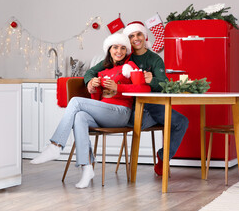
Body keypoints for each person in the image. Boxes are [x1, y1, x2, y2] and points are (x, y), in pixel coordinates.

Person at [30, 33, 151, 188]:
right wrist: (92, 86)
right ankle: (87, 168)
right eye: (115, 47)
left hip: (121, 113)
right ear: (109, 49)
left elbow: (144, 89)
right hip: (105, 112)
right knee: (80, 116)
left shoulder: (129, 67)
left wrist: (118, 87)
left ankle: (55, 146)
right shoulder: (102, 71)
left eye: (122, 48)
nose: (119, 51)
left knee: (75, 102)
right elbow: (97, 101)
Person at [84, 21, 189, 175]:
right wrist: (90, 81)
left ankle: (163, 156)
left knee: (181, 121)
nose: (135, 38)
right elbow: (91, 71)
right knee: (146, 119)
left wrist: (151, 80)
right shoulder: (122, 54)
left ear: (145, 36)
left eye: (138, 34)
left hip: (154, 106)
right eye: (131, 36)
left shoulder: (154, 59)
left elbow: (165, 84)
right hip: (129, 107)